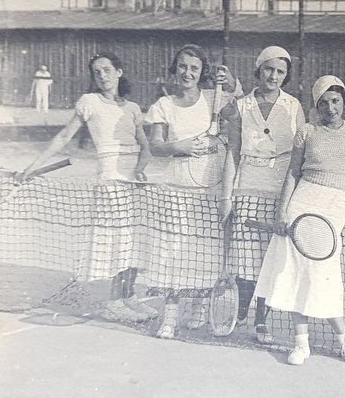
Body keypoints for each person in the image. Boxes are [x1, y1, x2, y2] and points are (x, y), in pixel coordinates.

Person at [253, 75, 345, 366]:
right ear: (316, 106)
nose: (330, 108)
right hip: (301, 201)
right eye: (324, 103)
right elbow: (293, 173)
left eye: (336, 101)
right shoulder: (306, 131)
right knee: (295, 272)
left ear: (344, 101)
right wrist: (280, 213)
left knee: (325, 274)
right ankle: (301, 344)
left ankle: (344, 340)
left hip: (333, 207)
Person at [18, 52, 154, 323]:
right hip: (109, 181)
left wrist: (139, 170)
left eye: (107, 70)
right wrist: (32, 167)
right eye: (96, 72)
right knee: (118, 242)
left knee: (134, 242)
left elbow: (146, 147)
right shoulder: (89, 102)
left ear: (119, 72)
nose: (102, 76)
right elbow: (64, 137)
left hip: (134, 184)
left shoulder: (134, 108)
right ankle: (114, 302)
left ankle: (129, 297)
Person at [145, 44, 241, 339]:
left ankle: (199, 309)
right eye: (183, 67)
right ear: (175, 70)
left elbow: (238, 104)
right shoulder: (163, 105)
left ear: (202, 73)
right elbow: (156, 147)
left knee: (202, 251)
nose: (188, 73)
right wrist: (181, 146)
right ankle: (170, 317)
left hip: (207, 188)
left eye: (195, 68)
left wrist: (231, 81)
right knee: (171, 252)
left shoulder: (214, 98)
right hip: (174, 188)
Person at [219, 46, 305, 344]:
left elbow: (300, 155)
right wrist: (226, 197)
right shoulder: (240, 106)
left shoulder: (293, 106)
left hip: (280, 192)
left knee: (271, 259)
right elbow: (232, 152)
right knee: (245, 259)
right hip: (247, 189)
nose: (274, 76)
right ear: (259, 70)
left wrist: (294, 198)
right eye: (269, 69)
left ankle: (261, 321)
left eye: (281, 72)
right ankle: (243, 309)